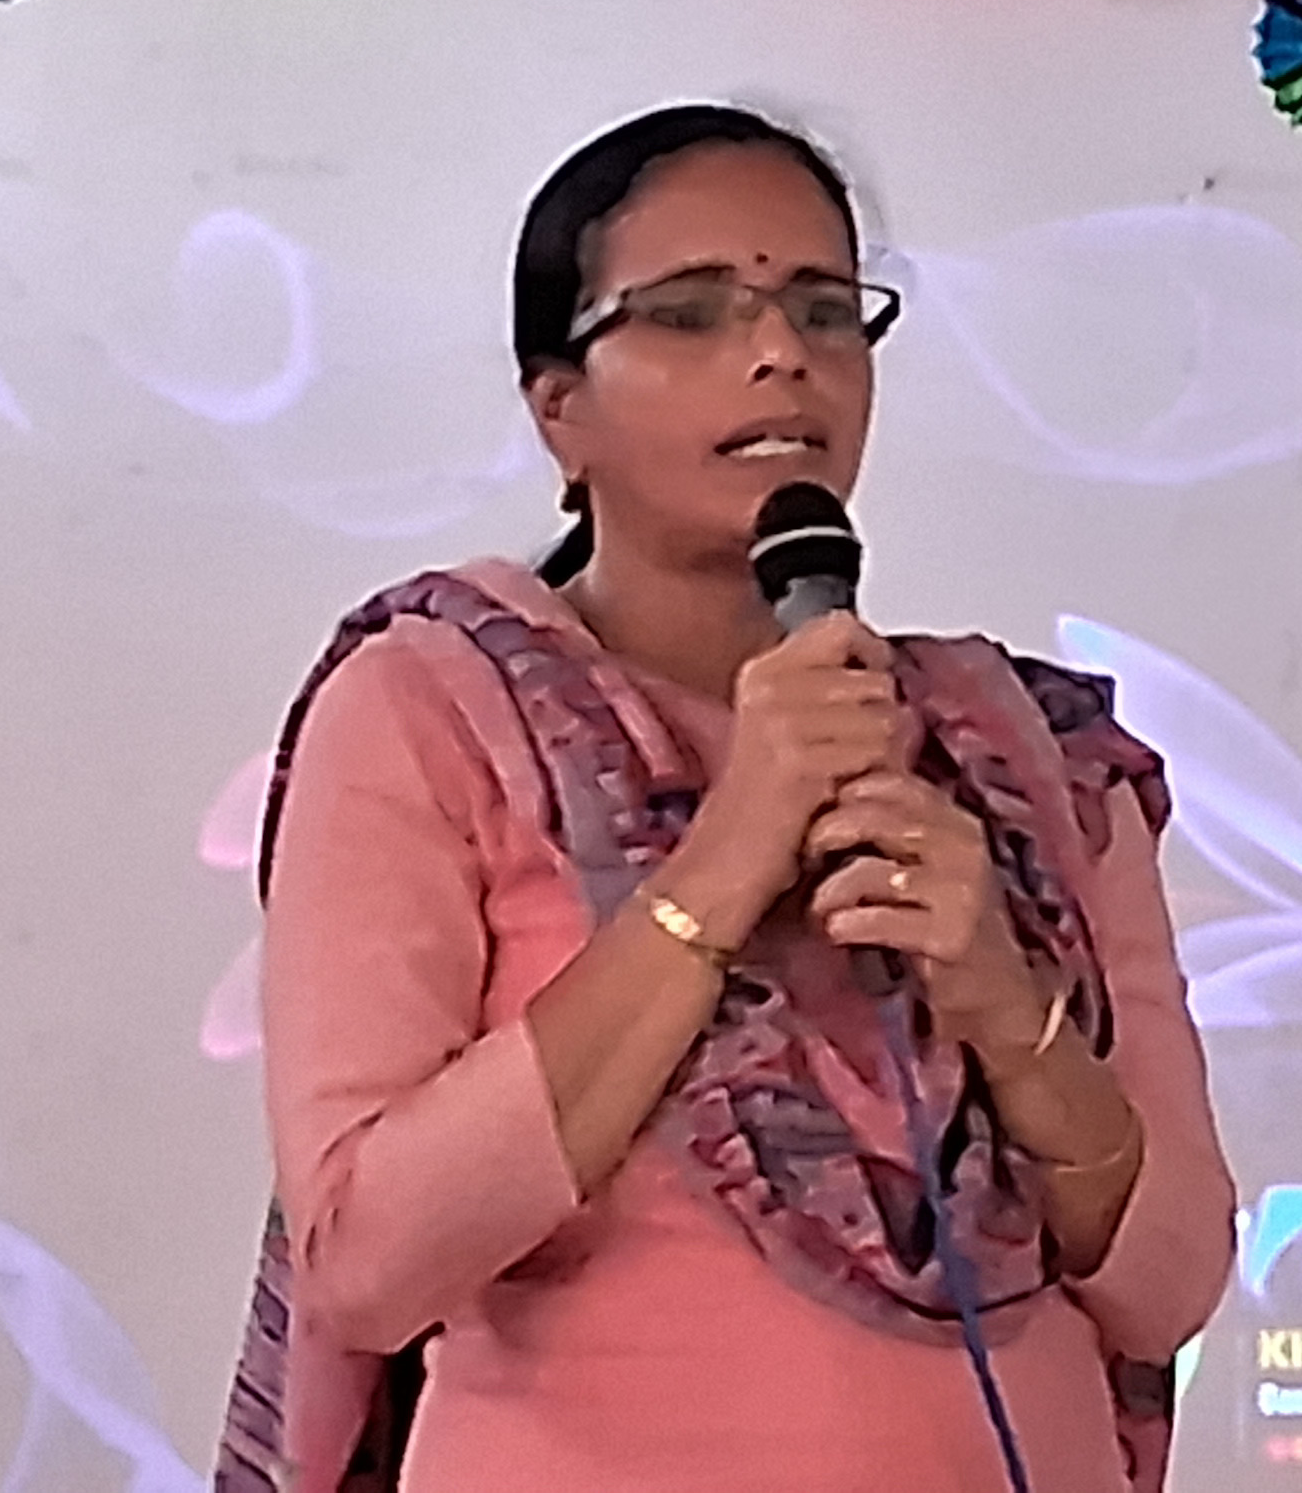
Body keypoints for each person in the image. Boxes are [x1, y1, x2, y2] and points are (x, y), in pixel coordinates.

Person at [220, 106, 1235, 1493]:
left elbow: (1167, 1285)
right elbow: (366, 1263)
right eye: (692, 312)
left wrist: (1006, 1003)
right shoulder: (432, 709)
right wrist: (725, 855)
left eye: (823, 309)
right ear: (559, 409)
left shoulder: (1031, 755)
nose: (780, 353)